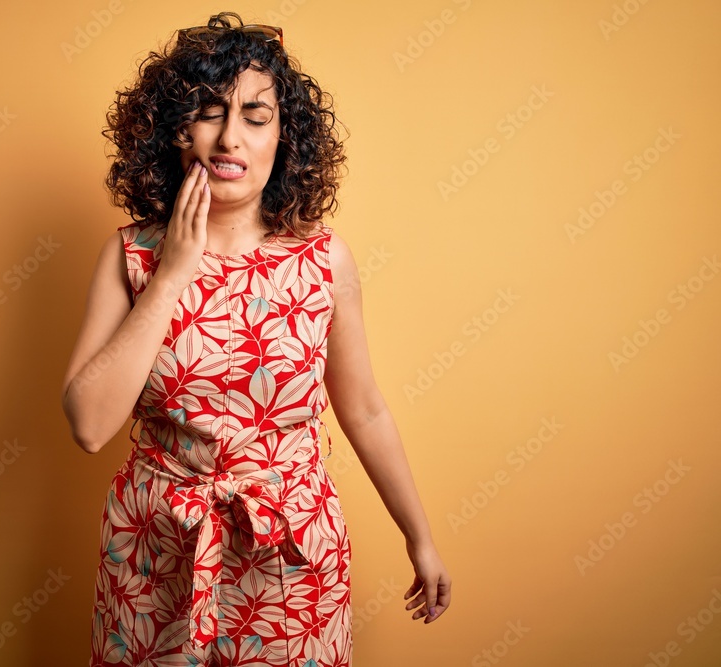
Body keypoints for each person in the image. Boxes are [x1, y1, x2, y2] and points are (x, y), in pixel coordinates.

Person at [62, 11, 452, 666]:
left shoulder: (326, 261)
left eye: (254, 114)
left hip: (289, 555)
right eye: (209, 111)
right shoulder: (129, 255)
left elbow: (365, 408)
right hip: (155, 553)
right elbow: (90, 424)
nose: (229, 138)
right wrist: (173, 275)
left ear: (285, 133)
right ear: (176, 130)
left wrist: (421, 537)